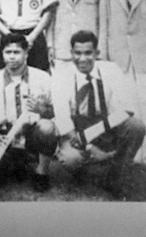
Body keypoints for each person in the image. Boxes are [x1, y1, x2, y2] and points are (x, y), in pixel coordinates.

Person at [52, 31, 145, 199]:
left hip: (105, 127)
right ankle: (83, 170)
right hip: (76, 131)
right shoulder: (62, 76)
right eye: (77, 53)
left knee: (136, 126)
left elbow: (126, 109)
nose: (82, 59)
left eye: (88, 53)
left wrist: (91, 133)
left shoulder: (111, 70)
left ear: (97, 53)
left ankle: (116, 174)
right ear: (71, 53)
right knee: (72, 159)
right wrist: (88, 146)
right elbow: (63, 119)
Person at [0, 33, 57, 192]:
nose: (12, 57)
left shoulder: (42, 77)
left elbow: (55, 110)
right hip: (5, 135)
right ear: (2, 54)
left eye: (17, 52)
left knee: (47, 128)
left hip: (32, 134)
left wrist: (40, 109)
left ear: (26, 53)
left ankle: (41, 173)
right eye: (8, 52)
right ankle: (16, 163)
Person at [99, 0, 146, 163]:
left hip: (143, 54)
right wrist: (104, 56)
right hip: (118, 55)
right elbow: (104, 21)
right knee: (124, 105)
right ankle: (130, 156)